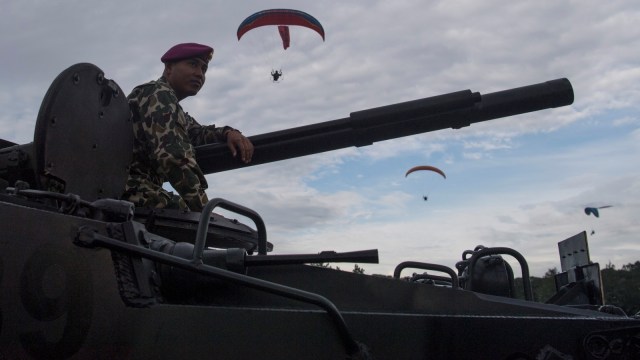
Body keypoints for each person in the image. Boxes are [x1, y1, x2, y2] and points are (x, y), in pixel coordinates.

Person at [122, 42, 254, 212]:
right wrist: (204, 209)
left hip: (132, 187)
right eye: (193, 64)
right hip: (124, 187)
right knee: (186, 216)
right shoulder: (158, 94)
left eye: (204, 69)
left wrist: (228, 133)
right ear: (169, 68)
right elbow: (174, 157)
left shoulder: (169, 104)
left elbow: (196, 133)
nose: (200, 74)